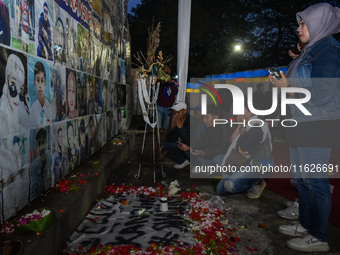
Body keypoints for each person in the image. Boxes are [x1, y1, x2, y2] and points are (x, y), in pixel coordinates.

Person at [269, 3, 340, 252]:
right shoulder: (310, 50)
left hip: (318, 126)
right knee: (303, 180)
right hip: (302, 123)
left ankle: (319, 237)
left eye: (303, 23)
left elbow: (322, 94)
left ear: (319, 23)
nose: (298, 28)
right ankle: (305, 224)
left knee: (315, 181)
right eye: (299, 23)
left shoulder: (328, 50)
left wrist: (287, 86)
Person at [216, 104, 273, 199]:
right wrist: (240, 124)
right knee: (221, 190)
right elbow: (232, 140)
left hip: (255, 165)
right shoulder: (246, 124)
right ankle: (242, 181)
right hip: (241, 162)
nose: (237, 113)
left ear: (250, 112)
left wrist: (243, 133)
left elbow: (243, 145)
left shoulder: (258, 126)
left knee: (230, 185)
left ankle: (254, 185)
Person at [0, 54, 28, 137]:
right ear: (7, 83)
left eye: (21, 89)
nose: (17, 97)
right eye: (13, 86)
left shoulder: (25, 115)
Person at [162, 102, 190, 169]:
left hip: (190, 148)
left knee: (186, 150)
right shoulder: (177, 120)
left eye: (178, 112)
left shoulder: (191, 121)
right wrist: (173, 126)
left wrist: (180, 128)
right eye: (175, 113)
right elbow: (170, 140)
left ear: (185, 111)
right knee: (163, 146)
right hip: (180, 146)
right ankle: (183, 161)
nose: (176, 115)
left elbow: (189, 140)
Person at [157, 65, 178, 142]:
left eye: (167, 70)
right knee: (158, 127)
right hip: (160, 107)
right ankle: (158, 144)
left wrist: (170, 83)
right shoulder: (159, 81)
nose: (166, 71)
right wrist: (162, 82)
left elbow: (175, 92)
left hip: (168, 108)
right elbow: (156, 92)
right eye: (164, 70)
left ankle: (163, 143)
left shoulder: (173, 81)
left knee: (166, 128)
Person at [30, 128, 52, 201]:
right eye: (39, 144)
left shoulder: (49, 155)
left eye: (43, 143)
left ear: (46, 142)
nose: (41, 147)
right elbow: (33, 192)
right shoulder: (35, 164)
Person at [30, 61, 52, 127]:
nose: (40, 85)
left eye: (42, 81)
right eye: (38, 80)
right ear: (34, 82)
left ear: (45, 83)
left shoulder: (49, 107)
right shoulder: (32, 110)